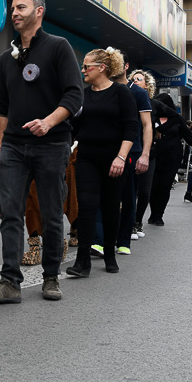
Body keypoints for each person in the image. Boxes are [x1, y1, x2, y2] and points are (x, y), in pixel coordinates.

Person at [0, 0, 83, 304]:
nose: (14, 13)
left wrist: (49, 122)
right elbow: (4, 110)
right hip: (13, 146)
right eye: (12, 8)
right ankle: (10, 282)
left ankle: (51, 277)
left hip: (52, 144)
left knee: (52, 213)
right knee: (11, 212)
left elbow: (74, 95)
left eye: (21, 7)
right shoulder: (6, 58)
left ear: (39, 11)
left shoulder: (58, 48)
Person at [65, 48, 137, 278]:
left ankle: (109, 254)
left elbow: (131, 127)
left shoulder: (121, 93)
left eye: (87, 66)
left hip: (114, 159)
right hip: (87, 157)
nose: (83, 70)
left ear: (102, 68)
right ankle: (82, 261)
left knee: (110, 207)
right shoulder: (83, 95)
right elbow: (73, 128)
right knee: (86, 206)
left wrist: (121, 157)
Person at [91, 54, 151, 257]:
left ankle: (124, 240)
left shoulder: (138, 93)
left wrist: (145, 154)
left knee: (126, 197)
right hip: (104, 150)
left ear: (125, 66)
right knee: (100, 196)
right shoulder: (100, 89)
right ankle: (98, 241)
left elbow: (147, 125)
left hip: (131, 152)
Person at [146, 93, 192, 226]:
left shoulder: (177, 119)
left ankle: (159, 215)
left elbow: (188, 136)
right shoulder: (151, 117)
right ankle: (152, 214)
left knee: (165, 187)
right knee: (153, 187)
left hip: (172, 158)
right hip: (154, 157)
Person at [129, 68, 156, 239]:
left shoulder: (154, 105)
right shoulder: (127, 99)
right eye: (133, 79)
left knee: (144, 191)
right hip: (131, 149)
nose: (135, 81)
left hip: (148, 153)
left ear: (146, 85)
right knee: (129, 191)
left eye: (139, 79)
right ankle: (129, 225)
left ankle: (138, 221)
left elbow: (178, 122)